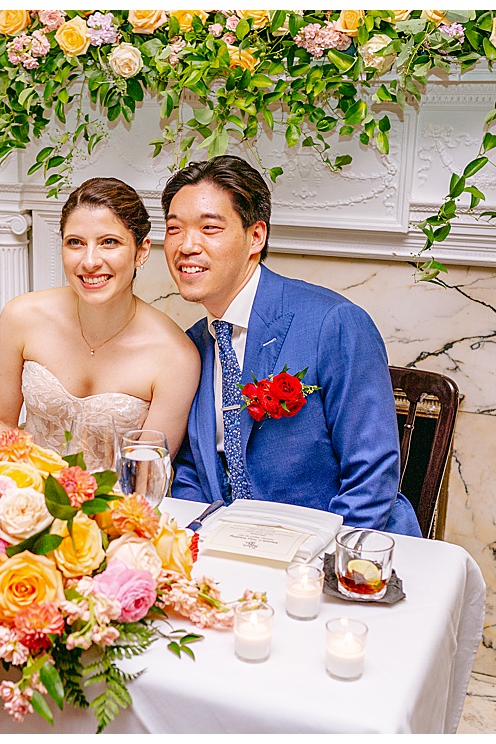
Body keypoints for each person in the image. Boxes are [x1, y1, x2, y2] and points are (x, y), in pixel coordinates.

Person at [161, 155, 421, 536]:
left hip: (339, 551)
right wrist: (192, 540)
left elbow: (371, 473)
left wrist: (323, 567)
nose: (186, 246)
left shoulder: (333, 323)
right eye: (173, 229)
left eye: (209, 228)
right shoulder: (192, 345)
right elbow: (192, 470)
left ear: (256, 236)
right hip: (232, 554)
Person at [0, 177, 200, 460]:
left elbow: (146, 475)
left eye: (109, 242)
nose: (89, 261)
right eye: (75, 243)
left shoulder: (176, 356)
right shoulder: (21, 317)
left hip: (119, 501)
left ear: (142, 251)